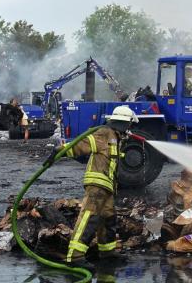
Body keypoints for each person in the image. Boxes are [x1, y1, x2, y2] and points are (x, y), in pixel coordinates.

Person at [44, 105, 139, 269]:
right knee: (88, 218)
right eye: (130, 125)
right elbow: (82, 144)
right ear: (125, 123)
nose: (130, 129)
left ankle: (108, 253)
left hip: (107, 187)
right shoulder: (104, 133)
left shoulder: (115, 137)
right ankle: (75, 257)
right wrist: (59, 151)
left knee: (108, 219)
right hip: (97, 185)